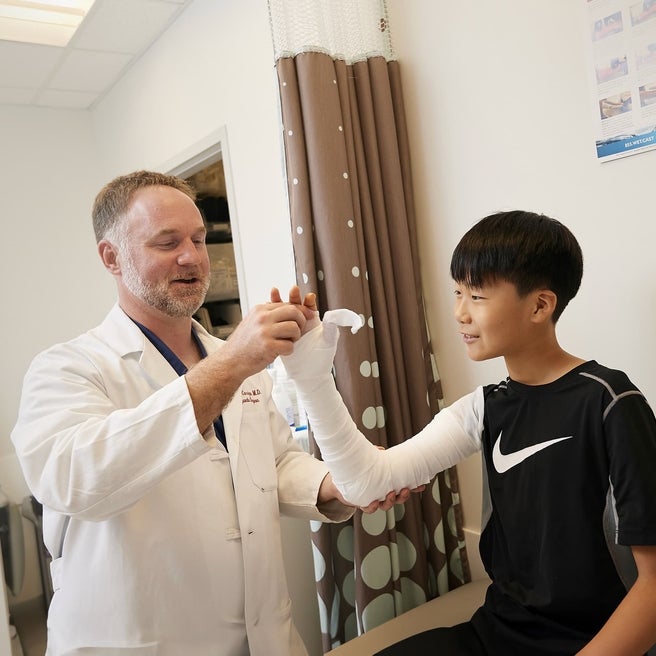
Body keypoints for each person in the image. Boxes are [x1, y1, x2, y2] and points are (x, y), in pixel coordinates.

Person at [10, 170, 410, 656]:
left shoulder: (230, 356)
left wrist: (337, 483)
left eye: (199, 239)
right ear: (110, 256)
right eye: (167, 242)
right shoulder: (69, 368)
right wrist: (232, 363)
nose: (193, 257)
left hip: (265, 638)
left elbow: (276, 461)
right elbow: (73, 480)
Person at [279, 210, 656, 655]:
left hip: (590, 640)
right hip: (497, 633)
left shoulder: (610, 401)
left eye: (476, 296)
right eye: (457, 292)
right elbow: (365, 482)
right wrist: (313, 380)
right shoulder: (485, 406)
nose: (459, 313)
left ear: (540, 305)